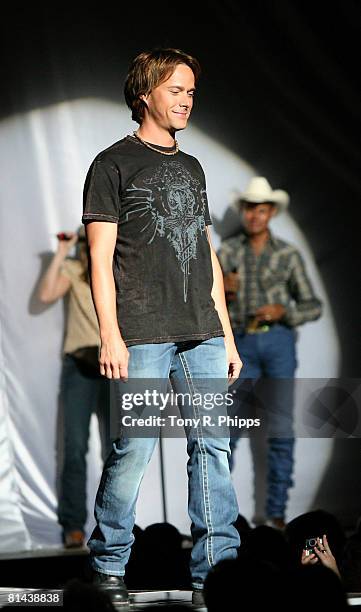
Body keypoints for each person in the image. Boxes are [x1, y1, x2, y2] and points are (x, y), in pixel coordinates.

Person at [81, 48, 243, 606]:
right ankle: (107, 567)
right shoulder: (112, 164)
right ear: (144, 93)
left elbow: (206, 253)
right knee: (135, 447)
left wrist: (227, 333)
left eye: (191, 92)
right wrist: (110, 333)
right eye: (175, 90)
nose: (186, 101)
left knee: (213, 448)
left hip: (202, 331)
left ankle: (216, 573)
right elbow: (99, 260)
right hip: (143, 332)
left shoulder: (192, 166)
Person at [217, 177, 322, 530]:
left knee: (280, 427)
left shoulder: (287, 254)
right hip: (242, 341)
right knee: (229, 429)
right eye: (249, 209)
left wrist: (283, 311)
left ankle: (276, 514)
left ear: (271, 212)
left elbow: (313, 305)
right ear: (244, 211)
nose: (254, 216)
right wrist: (224, 293)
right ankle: (221, 514)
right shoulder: (227, 252)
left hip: (277, 341)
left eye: (260, 210)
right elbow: (208, 306)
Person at [38, 227, 110, 548]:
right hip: (79, 365)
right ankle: (73, 525)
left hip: (114, 364)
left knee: (119, 448)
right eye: (83, 242)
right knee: (75, 447)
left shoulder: (114, 270)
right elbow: (45, 295)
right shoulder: (74, 269)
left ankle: (116, 524)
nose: (86, 248)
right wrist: (61, 252)